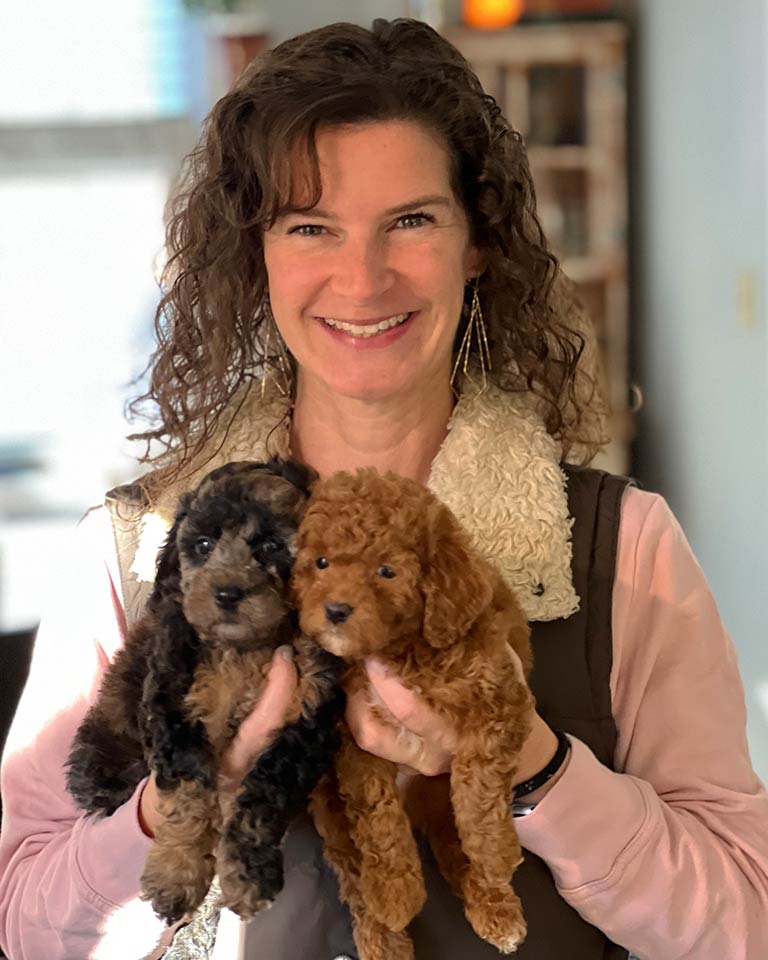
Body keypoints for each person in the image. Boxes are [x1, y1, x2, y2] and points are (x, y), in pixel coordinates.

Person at [1, 17, 767, 960]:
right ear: (260, 255)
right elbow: (23, 926)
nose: (361, 280)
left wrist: (532, 766)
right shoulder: (133, 554)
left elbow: (744, 921)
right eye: (311, 227)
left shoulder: (627, 552)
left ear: (476, 243)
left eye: (411, 220)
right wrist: (177, 805)